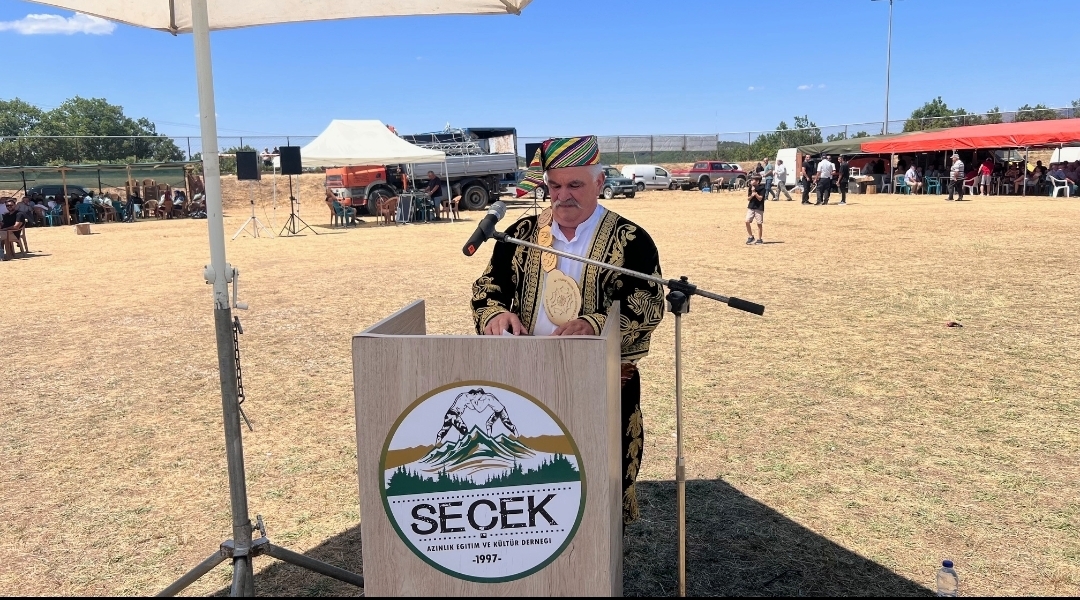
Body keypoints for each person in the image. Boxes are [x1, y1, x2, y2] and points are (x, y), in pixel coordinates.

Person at [472, 135, 664, 525]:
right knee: (533, 480)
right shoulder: (520, 234)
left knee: (597, 480)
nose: (563, 196)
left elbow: (647, 301)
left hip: (601, 380)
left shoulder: (631, 240)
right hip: (528, 377)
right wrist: (495, 314)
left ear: (600, 183)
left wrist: (594, 324)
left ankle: (599, 545)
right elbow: (488, 286)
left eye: (575, 185)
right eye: (555, 186)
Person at [744, 173, 766, 244]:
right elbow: (748, 198)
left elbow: (760, 198)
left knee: (759, 223)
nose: (751, 181)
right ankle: (751, 236)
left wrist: (755, 193)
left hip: (759, 208)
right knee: (747, 221)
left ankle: (759, 239)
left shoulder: (762, 188)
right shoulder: (750, 187)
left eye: (752, 180)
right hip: (751, 207)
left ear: (757, 181)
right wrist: (751, 195)